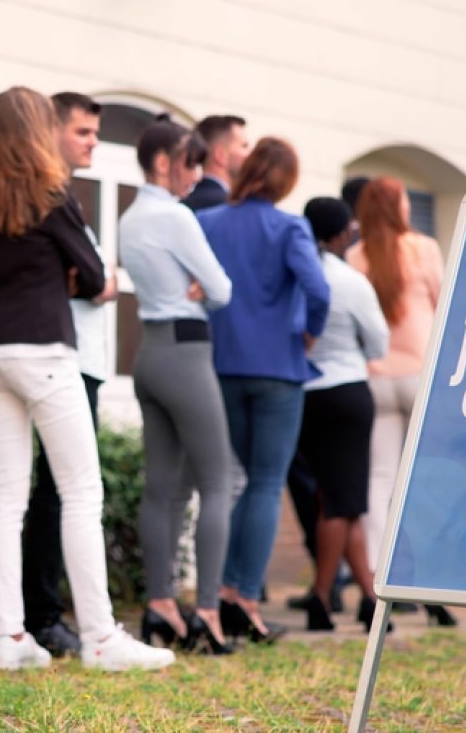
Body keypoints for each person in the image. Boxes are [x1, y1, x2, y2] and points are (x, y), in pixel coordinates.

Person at [0, 87, 175, 673]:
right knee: (81, 492)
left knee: (7, 494)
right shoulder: (55, 194)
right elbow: (98, 274)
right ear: (37, 129)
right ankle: (102, 639)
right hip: (45, 350)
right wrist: (69, 277)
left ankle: (11, 638)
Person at [197, 137, 329, 645]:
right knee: (267, 482)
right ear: (286, 180)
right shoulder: (290, 226)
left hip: (222, 363)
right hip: (278, 365)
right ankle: (244, 597)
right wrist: (309, 333)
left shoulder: (208, 223)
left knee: (240, 480)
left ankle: (224, 592)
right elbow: (318, 290)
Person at [119, 118, 236, 654]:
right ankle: (208, 612)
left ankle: (160, 604)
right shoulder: (175, 217)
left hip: (148, 353)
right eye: (190, 161)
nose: (197, 172)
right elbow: (221, 288)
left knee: (161, 487)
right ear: (164, 161)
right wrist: (198, 286)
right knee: (218, 481)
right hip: (187, 353)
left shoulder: (129, 217)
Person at [20, 91, 117, 658]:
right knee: (58, 492)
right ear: (52, 130)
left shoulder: (66, 196)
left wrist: (97, 279)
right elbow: (95, 279)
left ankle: (45, 613)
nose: (91, 142)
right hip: (64, 357)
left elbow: (96, 278)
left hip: (85, 359)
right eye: (82, 131)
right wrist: (97, 280)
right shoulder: (47, 196)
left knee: (59, 491)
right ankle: (44, 615)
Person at [345, 176, 457, 628]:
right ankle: (428, 586)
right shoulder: (424, 248)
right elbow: (446, 302)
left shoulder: (356, 255)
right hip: (420, 374)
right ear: (398, 207)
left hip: (374, 377)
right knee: (424, 482)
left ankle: (374, 587)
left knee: (379, 483)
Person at [292, 197, 389, 633]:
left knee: (338, 501)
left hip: (306, 393)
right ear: (340, 235)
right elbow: (379, 344)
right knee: (340, 502)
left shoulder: (295, 274)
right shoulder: (351, 281)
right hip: (348, 391)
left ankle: (368, 597)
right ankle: (322, 596)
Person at [182, 115, 250, 212]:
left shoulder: (182, 203)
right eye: (244, 146)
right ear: (220, 155)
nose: (250, 154)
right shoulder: (236, 207)